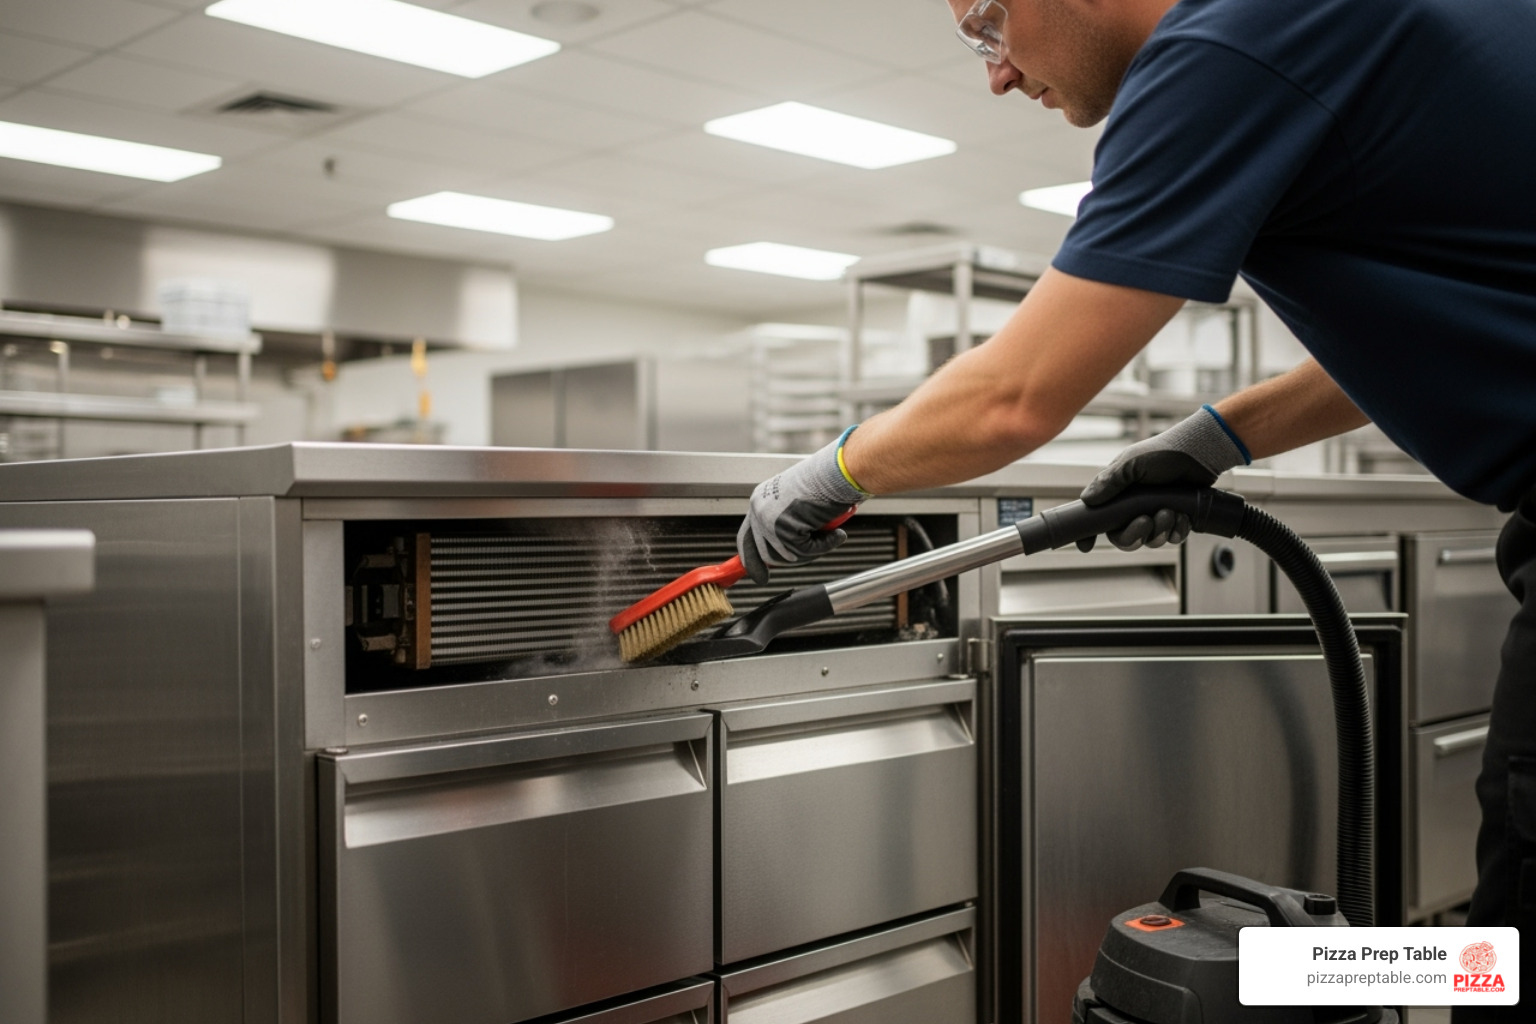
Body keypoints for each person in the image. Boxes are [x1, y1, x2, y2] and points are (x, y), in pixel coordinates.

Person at [735, 0, 1536, 1016]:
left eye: (988, 25)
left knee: (1513, 935)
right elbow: (1441, 311)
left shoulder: (1224, 43)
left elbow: (1013, 396)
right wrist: (1219, 436)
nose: (995, 74)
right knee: (1496, 934)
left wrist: (835, 469)